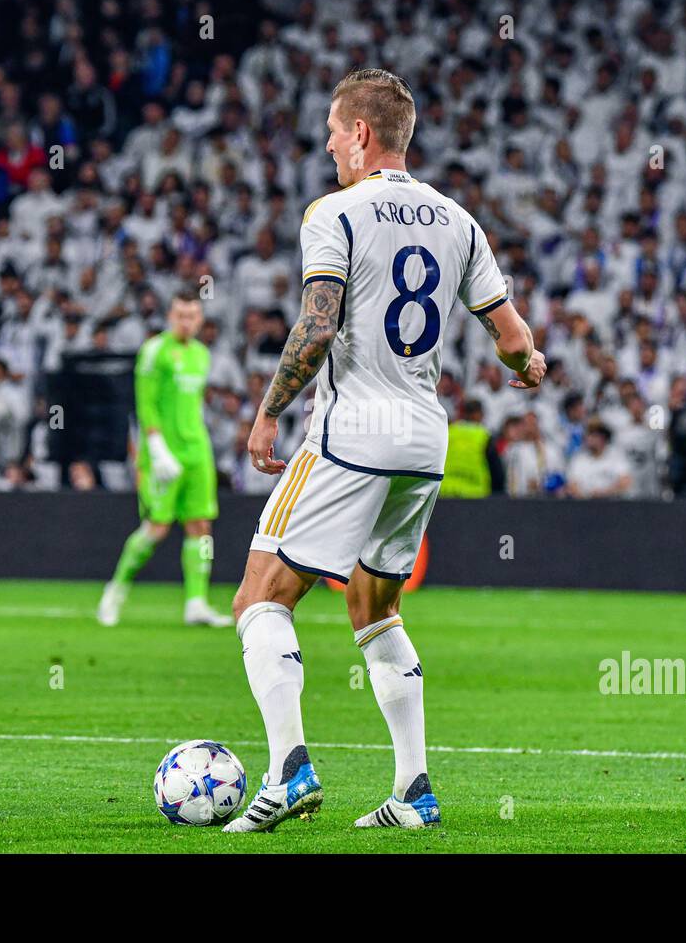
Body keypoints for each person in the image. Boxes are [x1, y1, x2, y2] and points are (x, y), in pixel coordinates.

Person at [221, 68, 545, 834]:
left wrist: (269, 412)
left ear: (362, 134)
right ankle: (414, 790)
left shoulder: (333, 213)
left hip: (352, 431)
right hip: (423, 440)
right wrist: (525, 367)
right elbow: (513, 339)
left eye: (335, 130)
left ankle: (289, 771)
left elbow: (317, 324)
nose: (330, 143)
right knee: (374, 604)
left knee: (259, 596)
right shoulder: (459, 221)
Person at [97, 290, 233, 627]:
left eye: (192, 316)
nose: (186, 322)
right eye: (180, 315)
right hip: (163, 453)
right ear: (170, 316)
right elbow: (146, 404)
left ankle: (197, 603)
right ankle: (115, 590)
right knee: (155, 528)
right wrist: (156, 450)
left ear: (200, 319)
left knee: (201, 526)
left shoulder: (201, 354)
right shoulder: (154, 351)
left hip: (196, 450)